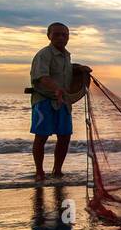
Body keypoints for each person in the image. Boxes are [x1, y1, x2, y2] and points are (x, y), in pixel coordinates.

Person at [29, 22, 82, 181]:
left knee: (65, 136)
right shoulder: (43, 54)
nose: (60, 37)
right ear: (49, 36)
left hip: (63, 101)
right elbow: (42, 76)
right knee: (41, 136)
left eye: (64, 35)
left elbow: (65, 70)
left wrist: (79, 68)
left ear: (68, 37)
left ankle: (57, 170)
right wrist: (56, 88)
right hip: (44, 100)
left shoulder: (66, 55)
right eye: (56, 34)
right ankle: (39, 172)